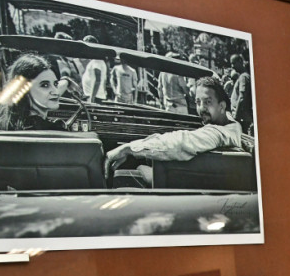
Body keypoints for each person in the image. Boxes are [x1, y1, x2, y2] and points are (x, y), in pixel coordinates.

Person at [104, 76, 247, 175]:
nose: (201, 108)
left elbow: (180, 141)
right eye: (198, 102)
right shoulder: (233, 125)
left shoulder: (217, 133)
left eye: (207, 102)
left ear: (221, 106)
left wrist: (129, 148)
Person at [0, 53, 69, 131]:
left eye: (55, 84)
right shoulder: (54, 130)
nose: (56, 91)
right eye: (45, 85)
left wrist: (65, 77)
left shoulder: (6, 122)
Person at [228, 53, 253, 134]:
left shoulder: (244, 77)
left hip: (242, 118)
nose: (232, 66)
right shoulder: (243, 76)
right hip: (241, 118)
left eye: (234, 63)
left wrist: (236, 116)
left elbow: (242, 97)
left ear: (240, 61)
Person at [81, 35, 108, 103]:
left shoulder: (97, 60)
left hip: (95, 98)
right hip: (94, 96)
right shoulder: (95, 60)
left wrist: (92, 98)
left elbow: (98, 80)